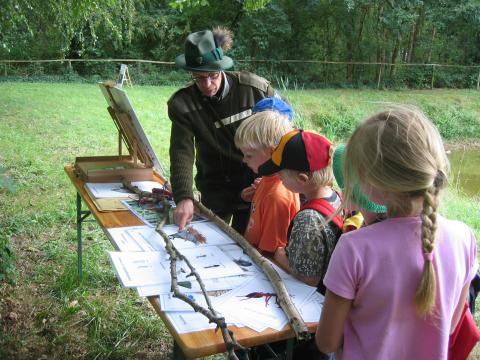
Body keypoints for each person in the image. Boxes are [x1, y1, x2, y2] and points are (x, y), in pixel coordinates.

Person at [315, 107, 478, 359]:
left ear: (372, 185)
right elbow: (452, 326)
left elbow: (327, 341)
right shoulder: (465, 237)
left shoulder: (353, 248)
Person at [168, 27, 274, 233]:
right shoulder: (183, 104)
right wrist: (183, 197)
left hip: (255, 189)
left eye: (213, 75)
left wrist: (271, 177)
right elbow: (181, 151)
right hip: (214, 189)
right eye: (198, 78)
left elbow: (283, 133)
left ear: (222, 68)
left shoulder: (254, 91)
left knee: (249, 250)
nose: (207, 85)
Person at [257, 129, 342, 294]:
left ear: (302, 179)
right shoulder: (335, 197)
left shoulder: (309, 219)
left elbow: (308, 278)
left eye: (281, 177)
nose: (279, 180)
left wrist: (278, 253)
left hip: (312, 300)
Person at [234, 109, 299, 256]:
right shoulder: (266, 180)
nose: (244, 160)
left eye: (249, 155)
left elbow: (271, 251)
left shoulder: (276, 196)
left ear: (272, 153)